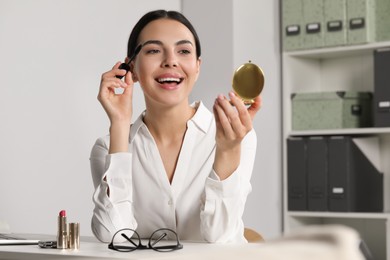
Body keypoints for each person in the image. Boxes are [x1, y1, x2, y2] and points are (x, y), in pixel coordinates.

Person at [90, 9, 261, 243]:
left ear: (197, 67)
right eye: (153, 50)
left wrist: (228, 150)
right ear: (131, 68)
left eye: (183, 51)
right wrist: (119, 123)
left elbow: (220, 238)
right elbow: (114, 234)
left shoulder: (239, 136)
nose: (171, 60)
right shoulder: (108, 147)